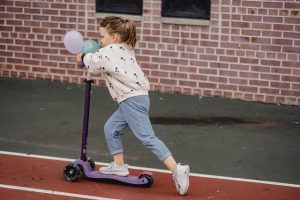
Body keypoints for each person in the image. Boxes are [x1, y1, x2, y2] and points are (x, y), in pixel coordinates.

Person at [76, 16, 190, 195]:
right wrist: (91, 58)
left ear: (114, 37)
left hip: (132, 100)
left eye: (103, 37)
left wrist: (82, 55)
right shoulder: (124, 49)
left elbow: (94, 62)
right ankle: (119, 166)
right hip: (135, 98)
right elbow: (101, 65)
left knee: (147, 137)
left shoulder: (110, 50)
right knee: (111, 128)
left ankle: (177, 169)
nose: (100, 41)